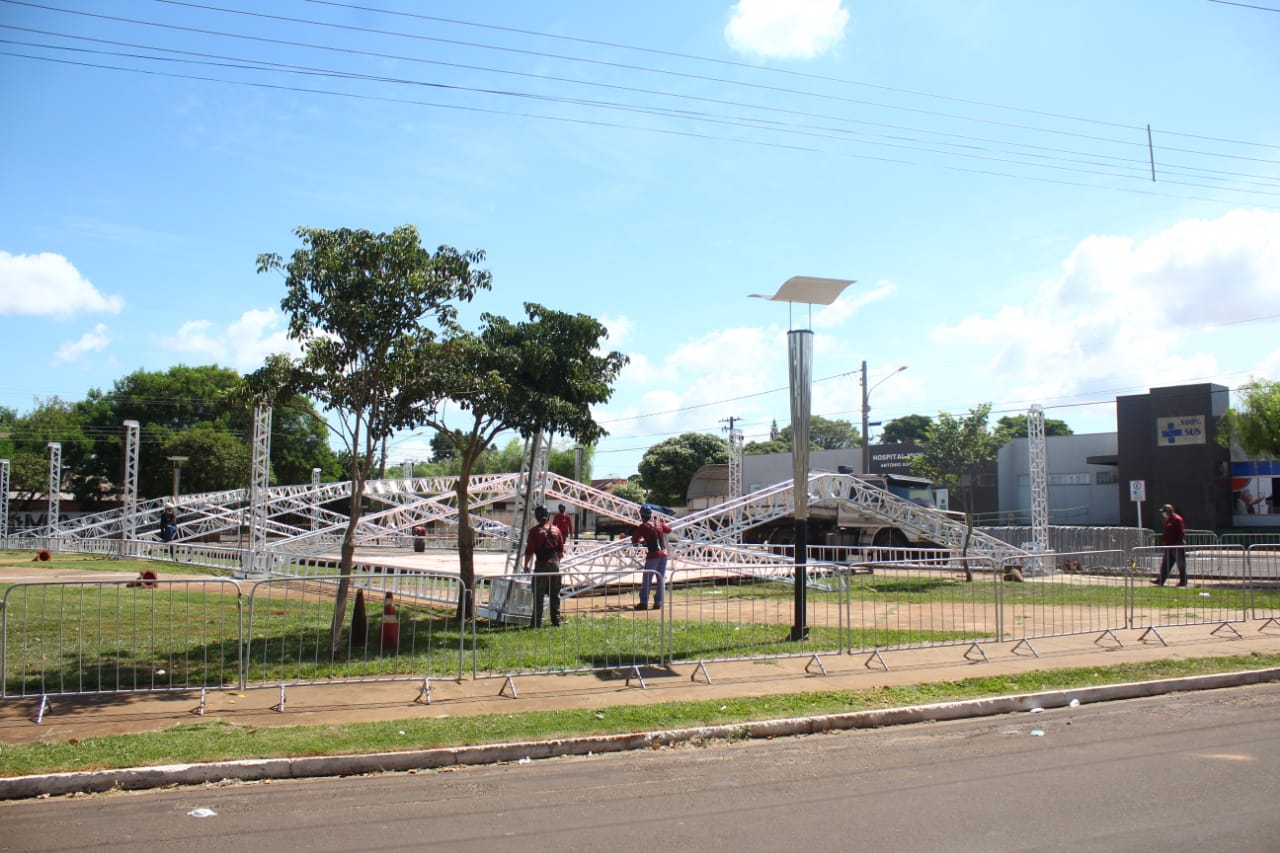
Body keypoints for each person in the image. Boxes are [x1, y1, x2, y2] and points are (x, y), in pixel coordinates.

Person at [523, 505, 564, 627]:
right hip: (555, 565)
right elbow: (561, 550)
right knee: (555, 594)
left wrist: (525, 566)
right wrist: (556, 563)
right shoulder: (556, 530)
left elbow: (529, 551)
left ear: (536, 516)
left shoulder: (535, 532)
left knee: (538, 595)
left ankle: (536, 622)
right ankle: (556, 621)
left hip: (541, 565)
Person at [631, 505, 672, 611]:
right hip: (664, 555)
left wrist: (642, 540)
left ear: (642, 515)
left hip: (653, 556)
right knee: (661, 579)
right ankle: (658, 602)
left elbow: (634, 539)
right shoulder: (659, 523)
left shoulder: (643, 526)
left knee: (647, 580)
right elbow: (668, 530)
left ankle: (644, 603)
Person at [1153, 503, 1187, 587]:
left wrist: (1177, 543)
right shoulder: (1167, 520)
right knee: (1165, 564)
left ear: (1168, 511)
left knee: (1181, 564)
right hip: (1169, 545)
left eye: (1164, 512)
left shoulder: (1177, 519)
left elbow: (1181, 532)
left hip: (1177, 545)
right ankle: (1160, 580)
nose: (1163, 514)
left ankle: (1183, 581)